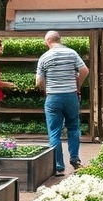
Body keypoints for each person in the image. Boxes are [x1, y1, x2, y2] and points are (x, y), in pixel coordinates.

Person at [36, 31, 89, 176]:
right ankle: (75, 159)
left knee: (54, 132)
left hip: (53, 97)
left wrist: (45, 89)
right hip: (71, 95)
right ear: (60, 39)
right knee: (73, 127)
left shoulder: (44, 57)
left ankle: (59, 167)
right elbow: (84, 70)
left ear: (47, 42)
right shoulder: (71, 53)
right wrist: (78, 85)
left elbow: (39, 81)